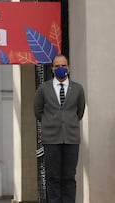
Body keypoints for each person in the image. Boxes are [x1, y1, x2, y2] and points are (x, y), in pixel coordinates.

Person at [34, 54, 86, 203]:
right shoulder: (43, 88)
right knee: (53, 176)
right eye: (57, 66)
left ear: (68, 68)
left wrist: (68, 122)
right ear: (52, 69)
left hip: (71, 138)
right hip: (51, 139)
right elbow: (38, 111)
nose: (61, 69)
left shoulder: (77, 89)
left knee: (69, 176)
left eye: (63, 66)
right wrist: (51, 122)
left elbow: (80, 111)